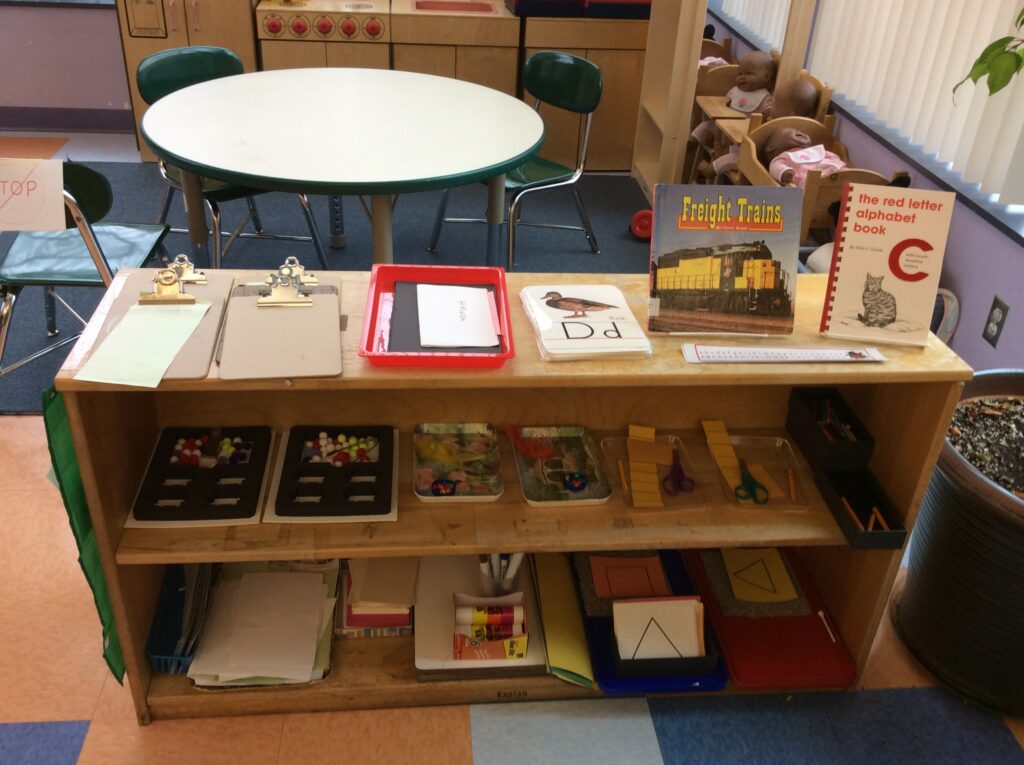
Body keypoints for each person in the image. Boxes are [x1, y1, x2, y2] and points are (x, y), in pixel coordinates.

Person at [697, 78, 819, 180]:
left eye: (775, 104)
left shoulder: (787, 130)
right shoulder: (781, 122)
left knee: (732, 159)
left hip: (764, 162)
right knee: (735, 148)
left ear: (790, 114)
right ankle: (723, 151)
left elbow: (756, 143)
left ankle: (710, 170)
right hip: (759, 154)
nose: (770, 106)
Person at [691, 50, 777, 146]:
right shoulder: (735, 91)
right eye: (740, 73)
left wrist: (767, 113)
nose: (742, 77)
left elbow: (765, 117)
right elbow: (723, 104)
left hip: (742, 132)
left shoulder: (765, 98)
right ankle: (693, 141)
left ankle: (716, 145)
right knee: (706, 125)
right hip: (724, 125)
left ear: (766, 77)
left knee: (734, 143)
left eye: (748, 73)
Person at [762, 126, 846, 186]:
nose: (799, 131)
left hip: (838, 173)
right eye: (788, 130)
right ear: (771, 147)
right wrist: (784, 172)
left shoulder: (816, 151)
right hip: (814, 182)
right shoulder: (784, 157)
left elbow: (833, 157)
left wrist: (838, 164)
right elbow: (775, 167)